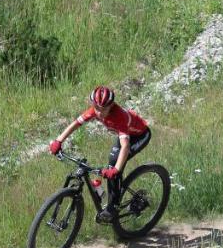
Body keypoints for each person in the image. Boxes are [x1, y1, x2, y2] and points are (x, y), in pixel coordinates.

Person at [49, 86, 151, 222]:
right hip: (126, 135)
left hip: (140, 135)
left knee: (114, 164)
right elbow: (76, 123)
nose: (99, 112)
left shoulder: (119, 116)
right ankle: (112, 194)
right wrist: (58, 141)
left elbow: (125, 146)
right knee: (112, 162)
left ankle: (113, 206)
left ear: (112, 105)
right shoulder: (94, 111)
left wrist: (115, 170)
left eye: (104, 109)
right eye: (97, 108)